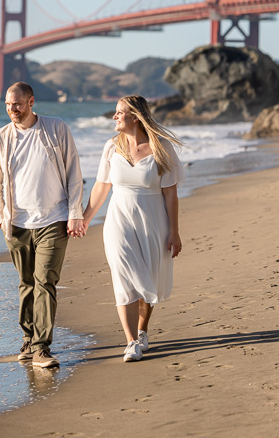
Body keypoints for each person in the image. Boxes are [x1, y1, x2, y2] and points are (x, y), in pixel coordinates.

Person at [0, 81, 84, 368]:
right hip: (16, 223)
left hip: (54, 218)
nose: (11, 109)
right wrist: (0, 216)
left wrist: (74, 212)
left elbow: (74, 172)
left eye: (16, 103)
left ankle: (42, 348)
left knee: (45, 282)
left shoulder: (56, 128)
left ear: (30, 102)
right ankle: (28, 338)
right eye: (7, 104)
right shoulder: (0, 138)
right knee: (27, 283)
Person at [82, 94, 184, 362]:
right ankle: (130, 342)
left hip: (153, 219)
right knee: (124, 274)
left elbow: (170, 193)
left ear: (136, 117)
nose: (114, 116)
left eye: (120, 112)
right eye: (115, 112)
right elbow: (102, 186)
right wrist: (85, 218)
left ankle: (142, 331)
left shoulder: (161, 148)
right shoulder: (111, 147)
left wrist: (174, 231)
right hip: (118, 219)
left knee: (148, 277)